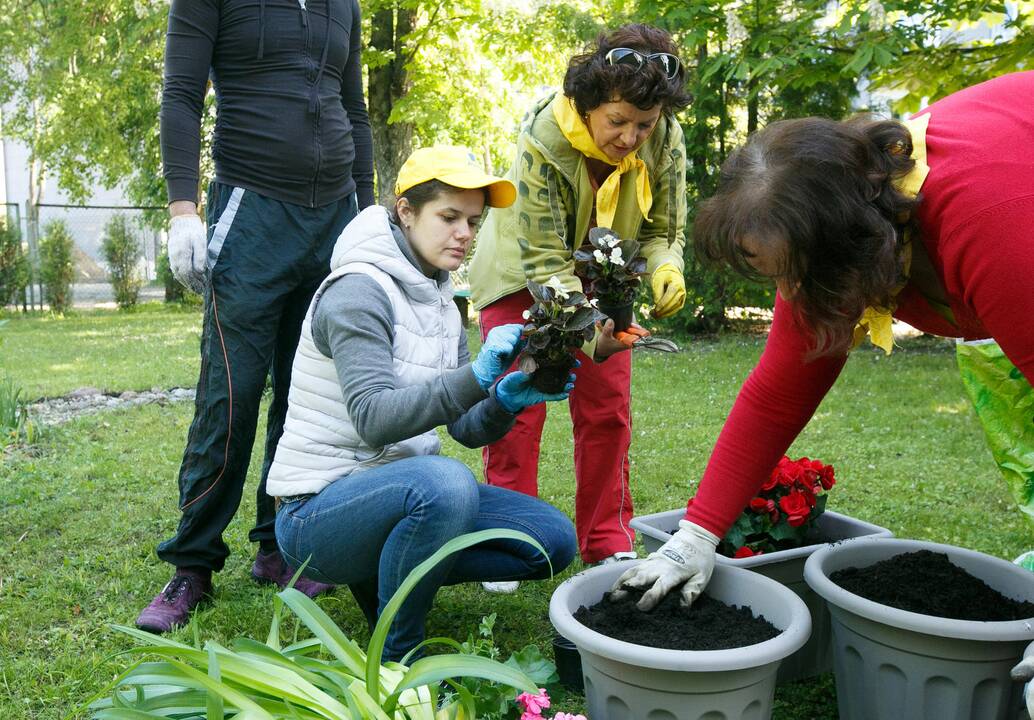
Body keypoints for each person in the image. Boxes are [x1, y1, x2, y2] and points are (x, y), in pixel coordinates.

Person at [611, 71, 1034, 613]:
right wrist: (696, 534)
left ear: (847, 246)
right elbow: (776, 395)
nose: (789, 295)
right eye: (777, 276)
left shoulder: (994, 234)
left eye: (794, 274)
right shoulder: (833, 220)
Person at [266, 146, 579, 662]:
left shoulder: (441, 301)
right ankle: (397, 657)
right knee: (447, 483)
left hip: (400, 492)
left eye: (474, 222)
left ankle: (388, 570)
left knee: (549, 540)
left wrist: (503, 399)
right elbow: (373, 417)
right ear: (406, 212)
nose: (465, 233)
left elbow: (465, 429)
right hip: (315, 513)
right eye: (449, 217)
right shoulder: (357, 291)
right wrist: (474, 376)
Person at [137, 0, 374, 633]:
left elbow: (354, 109)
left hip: (334, 218)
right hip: (252, 212)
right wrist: (183, 207)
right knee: (232, 394)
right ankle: (192, 564)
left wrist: (370, 214)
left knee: (307, 397)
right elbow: (182, 95)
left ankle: (278, 546)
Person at [468, 24, 691, 577]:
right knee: (520, 404)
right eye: (617, 122)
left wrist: (666, 266)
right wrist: (587, 332)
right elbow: (545, 262)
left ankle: (605, 535)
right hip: (524, 271)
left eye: (644, 124)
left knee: (608, 408)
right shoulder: (546, 136)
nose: (631, 137)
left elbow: (665, 228)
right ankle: (508, 541)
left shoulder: (665, 137)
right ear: (589, 103)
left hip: (606, 274)